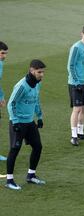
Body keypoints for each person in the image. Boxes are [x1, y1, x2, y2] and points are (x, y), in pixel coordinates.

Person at [5, 59, 46, 190]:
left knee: (38, 147)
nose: (42, 75)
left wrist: (39, 117)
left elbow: (36, 100)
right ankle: (9, 180)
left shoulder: (37, 84)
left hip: (29, 122)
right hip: (18, 123)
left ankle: (31, 175)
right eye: (39, 72)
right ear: (31, 70)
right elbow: (11, 103)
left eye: (43, 72)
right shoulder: (22, 86)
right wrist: (15, 121)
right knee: (14, 150)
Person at [0, 41, 9, 161]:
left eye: (6, 53)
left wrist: (1, 96)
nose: (4, 56)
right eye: (2, 53)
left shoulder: (1, 63)